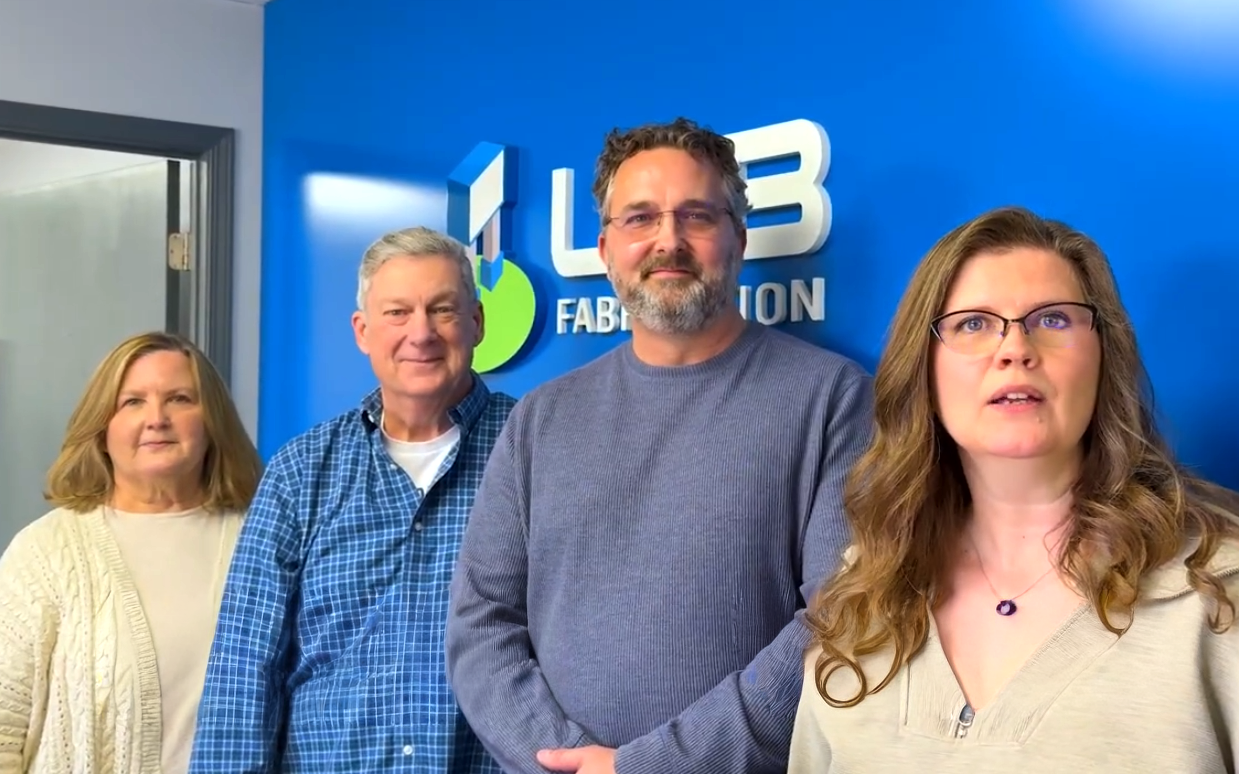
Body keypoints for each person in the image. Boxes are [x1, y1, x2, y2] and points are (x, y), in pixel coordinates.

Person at [445, 117, 875, 774]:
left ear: (739, 235)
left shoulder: (832, 399)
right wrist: (563, 761)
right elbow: (481, 623)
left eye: (696, 217)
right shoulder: (541, 417)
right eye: (639, 219)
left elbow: (840, 621)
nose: (666, 242)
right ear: (605, 246)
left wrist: (647, 765)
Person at [789, 205, 1239, 772]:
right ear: (922, 369)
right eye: (973, 323)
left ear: (1105, 356)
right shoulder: (865, 592)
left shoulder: (1219, 592)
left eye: (1052, 319)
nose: (1014, 349)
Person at [189, 226, 515, 773]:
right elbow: (245, 665)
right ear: (362, 331)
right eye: (397, 313)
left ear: (477, 323)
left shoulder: (536, 448)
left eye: (442, 310)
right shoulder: (301, 470)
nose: (421, 333)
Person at [0, 331, 261, 774]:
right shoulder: (45, 553)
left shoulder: (264, 542)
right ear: (102, 429)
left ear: (212, 420)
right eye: (132, 402)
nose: (156, 418)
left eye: (179, 398)